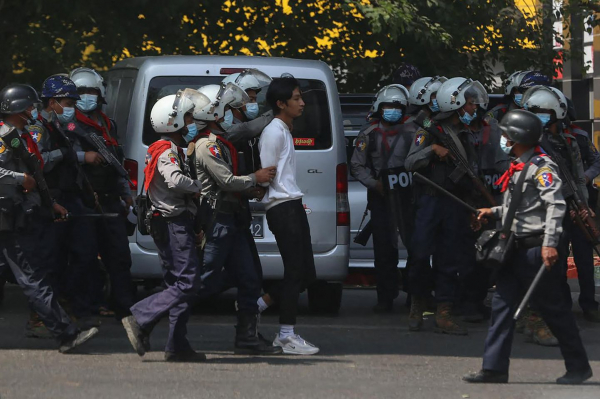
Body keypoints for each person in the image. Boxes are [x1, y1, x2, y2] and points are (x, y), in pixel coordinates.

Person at [463, 109, 593, 385]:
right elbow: (520, 208)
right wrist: (494, 212)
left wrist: (550, 244)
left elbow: (555, 205)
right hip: (514, 249)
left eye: (507, 135)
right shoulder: (520, 166)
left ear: (518, 138)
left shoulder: (542, 167)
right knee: (501, 307)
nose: (503, 139)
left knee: (554, 310)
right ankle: (494, 368)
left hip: (535, 250)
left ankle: (579, 367)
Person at [0, 83, 98, 353]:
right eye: (29, 106)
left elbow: (36, 175)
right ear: (17, 109)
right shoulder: (4, 138)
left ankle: (64, 332)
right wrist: (21, 179)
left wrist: (51, 203)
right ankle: (65, 334)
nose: (33, 110)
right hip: (9, 217)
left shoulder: (17, 136)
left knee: (32, 274)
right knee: (32, 277)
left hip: (17, 215)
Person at [190, 84, 282, 355]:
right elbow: (227, 181)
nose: (236, 115)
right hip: (218, 220)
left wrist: (250, 188)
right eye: (231, 110)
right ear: (216, 112)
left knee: (250, 277)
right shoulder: (208, 145)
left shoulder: (222, 143)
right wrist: (256, 178)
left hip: (235, 217)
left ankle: (247, 337)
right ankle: (147, 317)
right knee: (203, 280)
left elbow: (231, 184)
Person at [122, 93, 207, 361]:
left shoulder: (163, 148)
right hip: (172, 222)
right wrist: (199, 187)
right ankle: (139, 316)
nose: (193, 122)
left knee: (176, 282)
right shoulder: (166, 150)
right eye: (189, 117)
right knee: (187, 282)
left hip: (168, 221)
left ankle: (176, 345)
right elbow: (174, 180)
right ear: (174, 121)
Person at [405, 77, 489, 335]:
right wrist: (432, 150)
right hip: (429, 200)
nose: (474, 109)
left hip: (455, 202)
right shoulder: (428, 130)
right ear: (456, 103)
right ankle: (418, 302)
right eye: (470, 104)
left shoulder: (467, 134)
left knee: (448, 259)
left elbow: (473, 173)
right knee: (419, 255)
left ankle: (444, 312)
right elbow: (409, 163)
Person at [27, 75, 101, 334]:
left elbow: (73, 158)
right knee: (50, 258)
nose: (71, 107)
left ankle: (74, 307)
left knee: (84, 253)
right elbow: (36, 162)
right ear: (52, 102)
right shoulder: (38, 128)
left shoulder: (61, 125)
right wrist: (64, 154)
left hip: (71, 198)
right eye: (68, 102)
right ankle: (41, 315)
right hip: (50, 200)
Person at [521, 85, 589, 345]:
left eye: (543, 112)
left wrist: (581, 204)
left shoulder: (567, 140)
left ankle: (545, 318)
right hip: (536, 212)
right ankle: (535, 319)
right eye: (535, 112)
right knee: (538, 267)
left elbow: (575, 174)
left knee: (556, 266)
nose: (539, 116)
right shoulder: (527, 142)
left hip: (563, 207)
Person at [256, 77, 320, 354]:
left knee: (306, 274)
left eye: (301, 97)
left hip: (292, 203)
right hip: (281, 207)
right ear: (281, 103)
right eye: (296, 98)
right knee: (295, 271)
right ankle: (285, 335)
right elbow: (266, 174)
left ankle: (255, 306)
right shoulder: (273, 131)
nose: (302, 102)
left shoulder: (284, 128)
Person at [68, 67, 135, 320]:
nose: (87, 96)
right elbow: (59, 157)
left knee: (119, 256)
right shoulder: (69, 125)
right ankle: (84, 307)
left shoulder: (108, 125)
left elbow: (117, 162)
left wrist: (125, 192)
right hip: (82, 200)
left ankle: (124, 307)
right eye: (81, 92)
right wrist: (84, 157)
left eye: (91, 92)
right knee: (84, 257)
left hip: (109, 200)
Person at [350, 84, 413, 314]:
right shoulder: (368, 134)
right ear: (379, 108)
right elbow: (356, 166)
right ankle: (385, 297)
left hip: (408, 197)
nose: (393, 111)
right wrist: (374, 184)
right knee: (384, 250)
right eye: (389, 106)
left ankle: (414, 296)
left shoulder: (413, 132)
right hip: (381, 197)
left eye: (397, 107)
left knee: (416, 248)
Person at [564, 104, 600, 322]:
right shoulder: (540, 138)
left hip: (580, 202)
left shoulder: (578, 135)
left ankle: (589, 303)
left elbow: (596, 161)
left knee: (584, 257)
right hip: (557, 204)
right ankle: (562, 305)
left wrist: (585, 177)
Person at [221, 68, 274, 174]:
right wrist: (278, 111)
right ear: (235, 102)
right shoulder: (225, 126)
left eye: (255, 99)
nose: (255, 104)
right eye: (250, 100)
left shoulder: (252, 123)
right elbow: (248, 128)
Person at [486, 71, 551, 123]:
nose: (529, 95)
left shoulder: (547, 114)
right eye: (524, 91)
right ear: (512, 91)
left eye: (535, 92)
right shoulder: (498, 113)